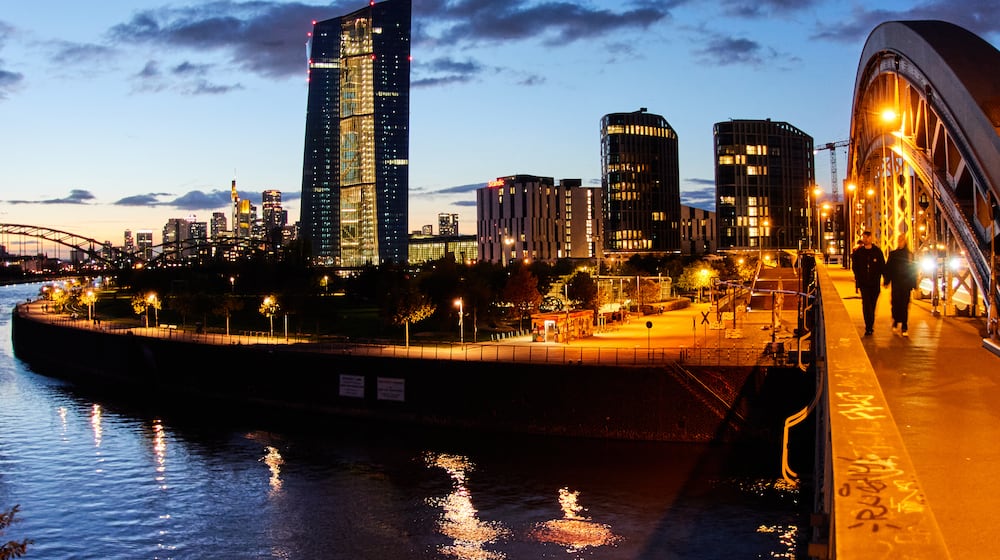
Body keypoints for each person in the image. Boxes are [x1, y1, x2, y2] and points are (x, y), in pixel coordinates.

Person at [852, 231, 886, 336]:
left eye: (867, 237)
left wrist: (885, 279)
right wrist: (858, 279)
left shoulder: (877, 252)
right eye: (864, 237)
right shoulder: (859, 253)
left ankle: (870, 324)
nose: (865, 239)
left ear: (871, 238)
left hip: (875, 284)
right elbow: (855, 267)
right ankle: (868, 327)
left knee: (873, 304)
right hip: (864, 284)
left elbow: (882, 266)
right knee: (866, 305)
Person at [883, 234, 917, 336]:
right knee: (895, 303)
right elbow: (888, 268)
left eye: (902, 240)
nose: (900, 241)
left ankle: (904, 326)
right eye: (899, 239)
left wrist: (914, 284)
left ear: (905, 241)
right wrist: (886, 281)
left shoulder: (910, 255)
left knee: (905, 305)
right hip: (896, 283)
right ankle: (896, 320)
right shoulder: (893, 254)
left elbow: (913, 270)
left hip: (906, 284)